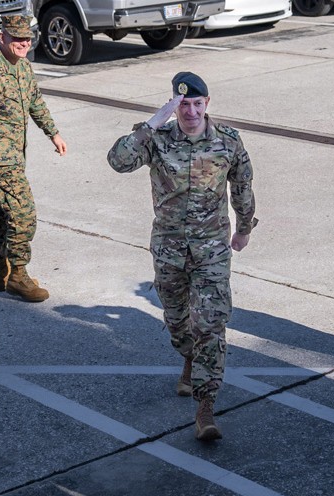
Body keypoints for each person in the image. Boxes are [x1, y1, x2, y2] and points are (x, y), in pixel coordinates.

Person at [107, 72, 257, 441]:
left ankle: (206, 406)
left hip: (212, 250)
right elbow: (118, 161)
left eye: (197, 104)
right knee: (177, 321)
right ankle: (188, 358)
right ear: (175, 105)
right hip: (170, 249)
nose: (190, 111)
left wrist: (244, 228)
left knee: (210, 322)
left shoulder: (228, 142)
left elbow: (242, 184)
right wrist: (153, 122)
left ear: (208, 103)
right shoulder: (157, 140)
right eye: (183, 104)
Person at [0, 14, 67, 302]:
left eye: (27, 39)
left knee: (2, 212)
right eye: (17, 38)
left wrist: (52, 133)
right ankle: (19, 275)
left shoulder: (24, 67)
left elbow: (35, 102)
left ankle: (1, 272)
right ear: (2, 38)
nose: (23, 43)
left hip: (15, 154)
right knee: (23, 213)